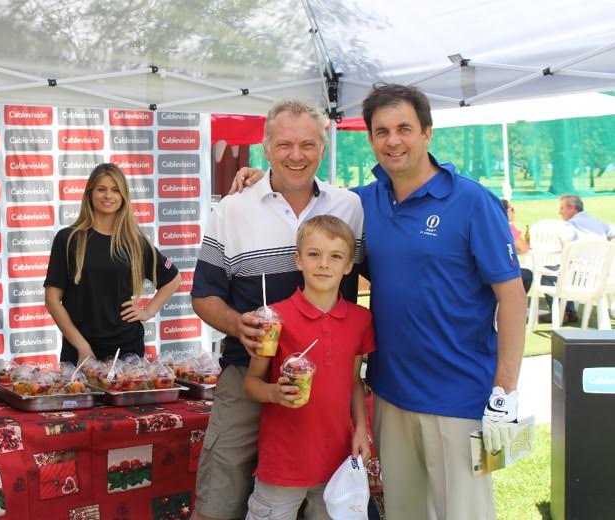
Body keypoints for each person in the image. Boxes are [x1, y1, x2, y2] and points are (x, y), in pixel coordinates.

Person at [230, 83, 527, 520]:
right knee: (404, 511)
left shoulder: (471, 201)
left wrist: (505, 390)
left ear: (427, 132)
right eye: (382, 131)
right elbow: (309, 201)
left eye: (404, 128)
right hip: (391, 394)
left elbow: (513, 297)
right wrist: (263, 179)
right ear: (370, 138)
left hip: (459, 395)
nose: (393, 141)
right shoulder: (363, 202)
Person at [190, 99, 365, 520]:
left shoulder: (350, 206)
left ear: (323, 147)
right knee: (218, 504)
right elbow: (203, 295)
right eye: (284, 144)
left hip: (324, 385)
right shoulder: (233, 208)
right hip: (247, 374)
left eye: (308, 144)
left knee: (322, 504)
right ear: (266, 146)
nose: (296, 155)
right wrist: (239, 325)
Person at [243, 215, 375, 520]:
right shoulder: (274, 319)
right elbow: (250, 383)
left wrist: (361, 429)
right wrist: (275, 393)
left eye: (336, 256)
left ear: (349, 266)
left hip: (337, 463)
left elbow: (354, 382)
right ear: (298, 260)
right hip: (283, 463)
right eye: (314, 254)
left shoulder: (360, 320)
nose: (324, 264)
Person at [44, 163, 181, 364]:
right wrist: (81, 346)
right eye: (101, 189)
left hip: (127, 350)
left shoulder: (134, 242)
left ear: (123, 196)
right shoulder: (68, 239)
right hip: (79, 351)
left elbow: (173, 279)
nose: (108, 196)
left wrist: (148, 311)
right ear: (90, 194)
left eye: (115, 190)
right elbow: (52, 300)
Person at [539, 194, 615, 323]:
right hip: (601, 276)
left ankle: (561, 313)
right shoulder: (597, 222)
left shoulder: (570, 226)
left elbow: (566, 252)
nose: (559, 212)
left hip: (580, 278)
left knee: (546, 274)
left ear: (572, 208)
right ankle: (570, 312)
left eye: (562, 208)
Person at [501, 199, 533, 293]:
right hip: (503, 272)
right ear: (506, 211)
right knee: (528, 274)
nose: (514, 212)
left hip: (486, 272)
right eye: (512, 209)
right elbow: (524, 248)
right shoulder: (508, 227)